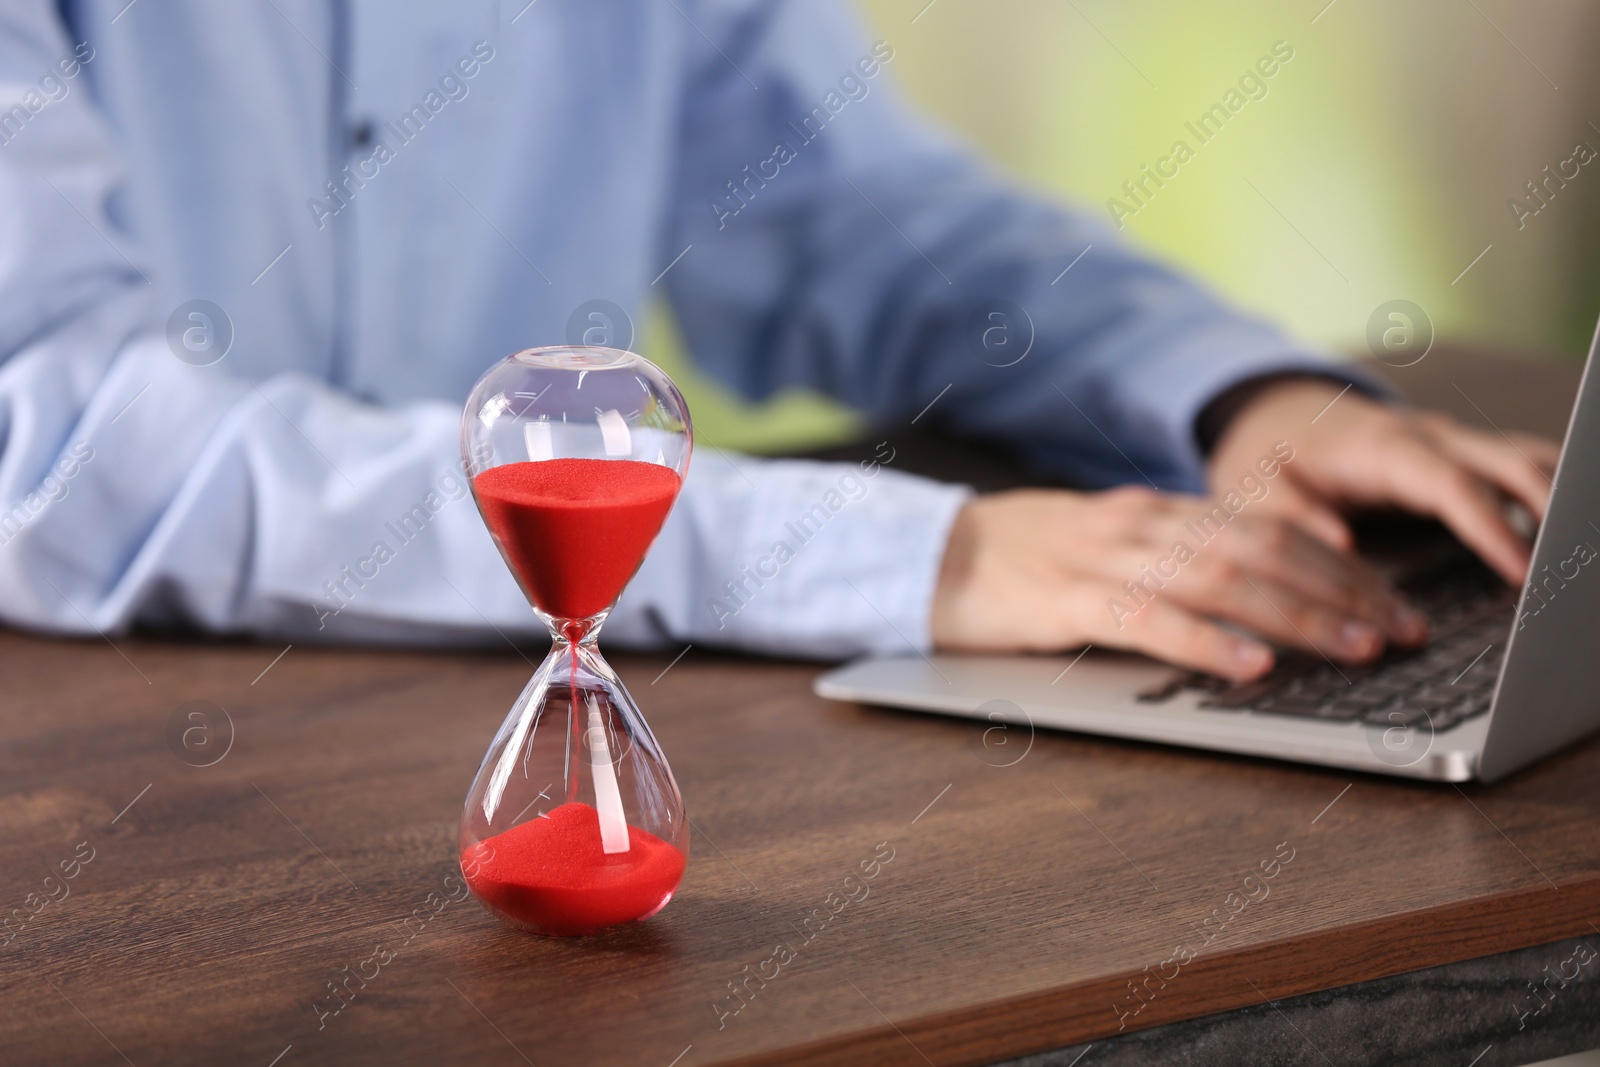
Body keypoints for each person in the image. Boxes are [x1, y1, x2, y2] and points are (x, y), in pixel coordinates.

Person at [0, 0, 1558, 682]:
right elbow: (70, 444)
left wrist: (1230, 392)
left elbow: (852, 210)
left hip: (508, 704)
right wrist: (907, 561)